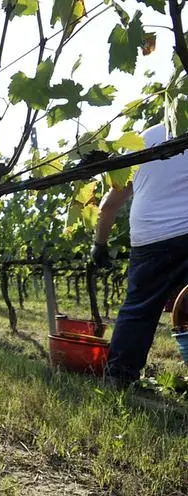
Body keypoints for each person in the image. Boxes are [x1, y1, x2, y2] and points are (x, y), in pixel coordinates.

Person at [91, 122, 188, 387]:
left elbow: (109, 205)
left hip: (149, 236)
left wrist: (99, 244)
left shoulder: (145, 138)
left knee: (139, 309)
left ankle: (118, 378)